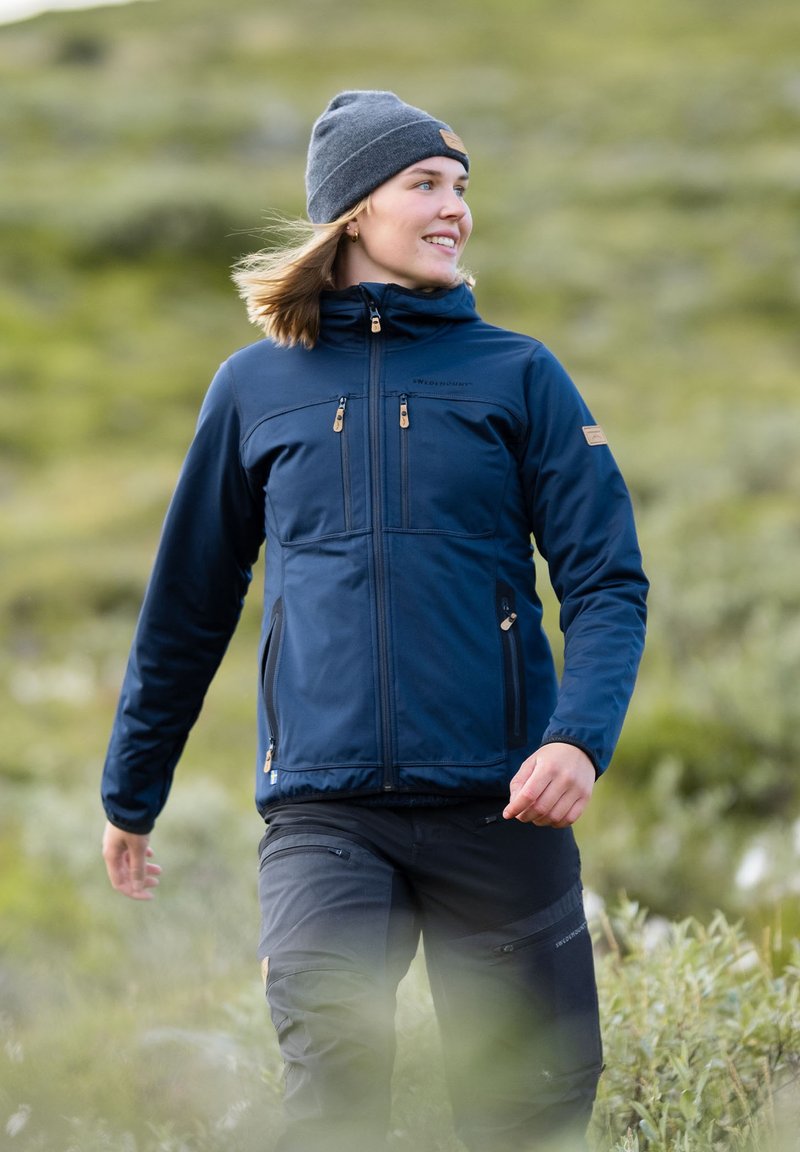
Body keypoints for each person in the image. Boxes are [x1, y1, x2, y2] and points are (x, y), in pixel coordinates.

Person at [101, 90, 648, 1152]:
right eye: (425, 183)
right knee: (335, 1095)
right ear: (353, 209)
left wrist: (578, 739)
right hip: (324, 815)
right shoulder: (255, 388)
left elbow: (606, 581)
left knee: (528, 1113)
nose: (455, 209)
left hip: (504, 808)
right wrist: (132, 792)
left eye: (461, 187)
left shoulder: (519, 374)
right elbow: (187, 605)